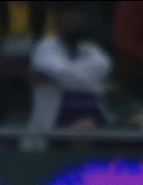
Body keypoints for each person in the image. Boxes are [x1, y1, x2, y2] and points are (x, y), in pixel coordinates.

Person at [22, 0, 115, 151]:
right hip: (55, 121)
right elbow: (57, 72)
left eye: (79, 18)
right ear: (60, 22)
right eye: (70, 18)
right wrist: (98, 86)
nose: (75, 22)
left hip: (94, 115)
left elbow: (101, 68)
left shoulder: (95, 51)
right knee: (82, 129)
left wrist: (58, 78)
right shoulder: (45, 47)